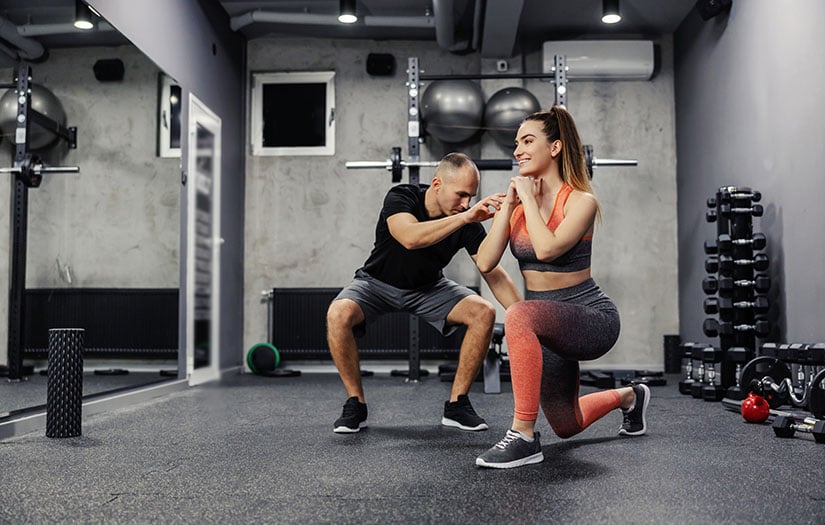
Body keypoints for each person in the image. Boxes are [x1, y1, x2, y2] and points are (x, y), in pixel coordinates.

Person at [473, 106, 649, 469]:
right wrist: (509, 205)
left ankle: (523, 435)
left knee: (518, 314)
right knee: (567, 425)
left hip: (590, 318)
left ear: (554, 148)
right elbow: (485, 262)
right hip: (545, 321)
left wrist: (529, 201)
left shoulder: (582, 201)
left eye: (527, 141)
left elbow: (548, 248)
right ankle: (631, 397)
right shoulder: (519, 207)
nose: (517, 150)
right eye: (516, 143)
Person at [326, 152, 522, 434]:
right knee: (338, 312)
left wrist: (527, 317)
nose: (467, 203)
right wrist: (466, 217)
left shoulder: (465, 220)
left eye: (472, 196)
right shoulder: (402, 197)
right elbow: (410, 237)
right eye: (461, 195)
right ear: (437, 184)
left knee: (483, 312)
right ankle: (355, 403)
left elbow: (493, 273)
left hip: (428, 288)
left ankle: (457, 405)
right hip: (376, 284)